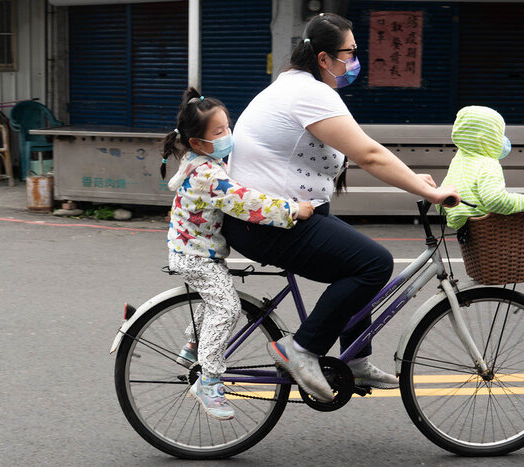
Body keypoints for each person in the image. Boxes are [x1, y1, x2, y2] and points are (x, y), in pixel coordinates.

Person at [221, 13, 460, 403]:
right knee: (373, 264)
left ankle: (357, 360)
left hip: (274, 216)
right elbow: (368, 154)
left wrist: (416, 181)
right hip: (268, 223)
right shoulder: (310, 94)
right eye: (349, 53)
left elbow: (359, 146)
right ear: (323, 59)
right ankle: (299, 350)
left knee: (356, 259)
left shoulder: (295, 87)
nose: (354, 61)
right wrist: (428, 192)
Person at [163, 88, 314, 420]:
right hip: (196, 255)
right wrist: (292, 209)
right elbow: (246, 202)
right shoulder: (209, 175)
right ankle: (209, 380)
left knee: (213, 299)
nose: (228, 136)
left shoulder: (200, 161)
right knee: (227, 308)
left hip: (191, 248)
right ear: (197, 143)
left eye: (228, 127)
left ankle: (192, 347)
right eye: (219, 132)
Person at [439, 105, 524, 238]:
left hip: (465, 227)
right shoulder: (488, 164)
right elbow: (495, 200)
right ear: (488, 137)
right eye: (499, 134)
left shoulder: (459, 160)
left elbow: (444, 194)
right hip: (489, 230)